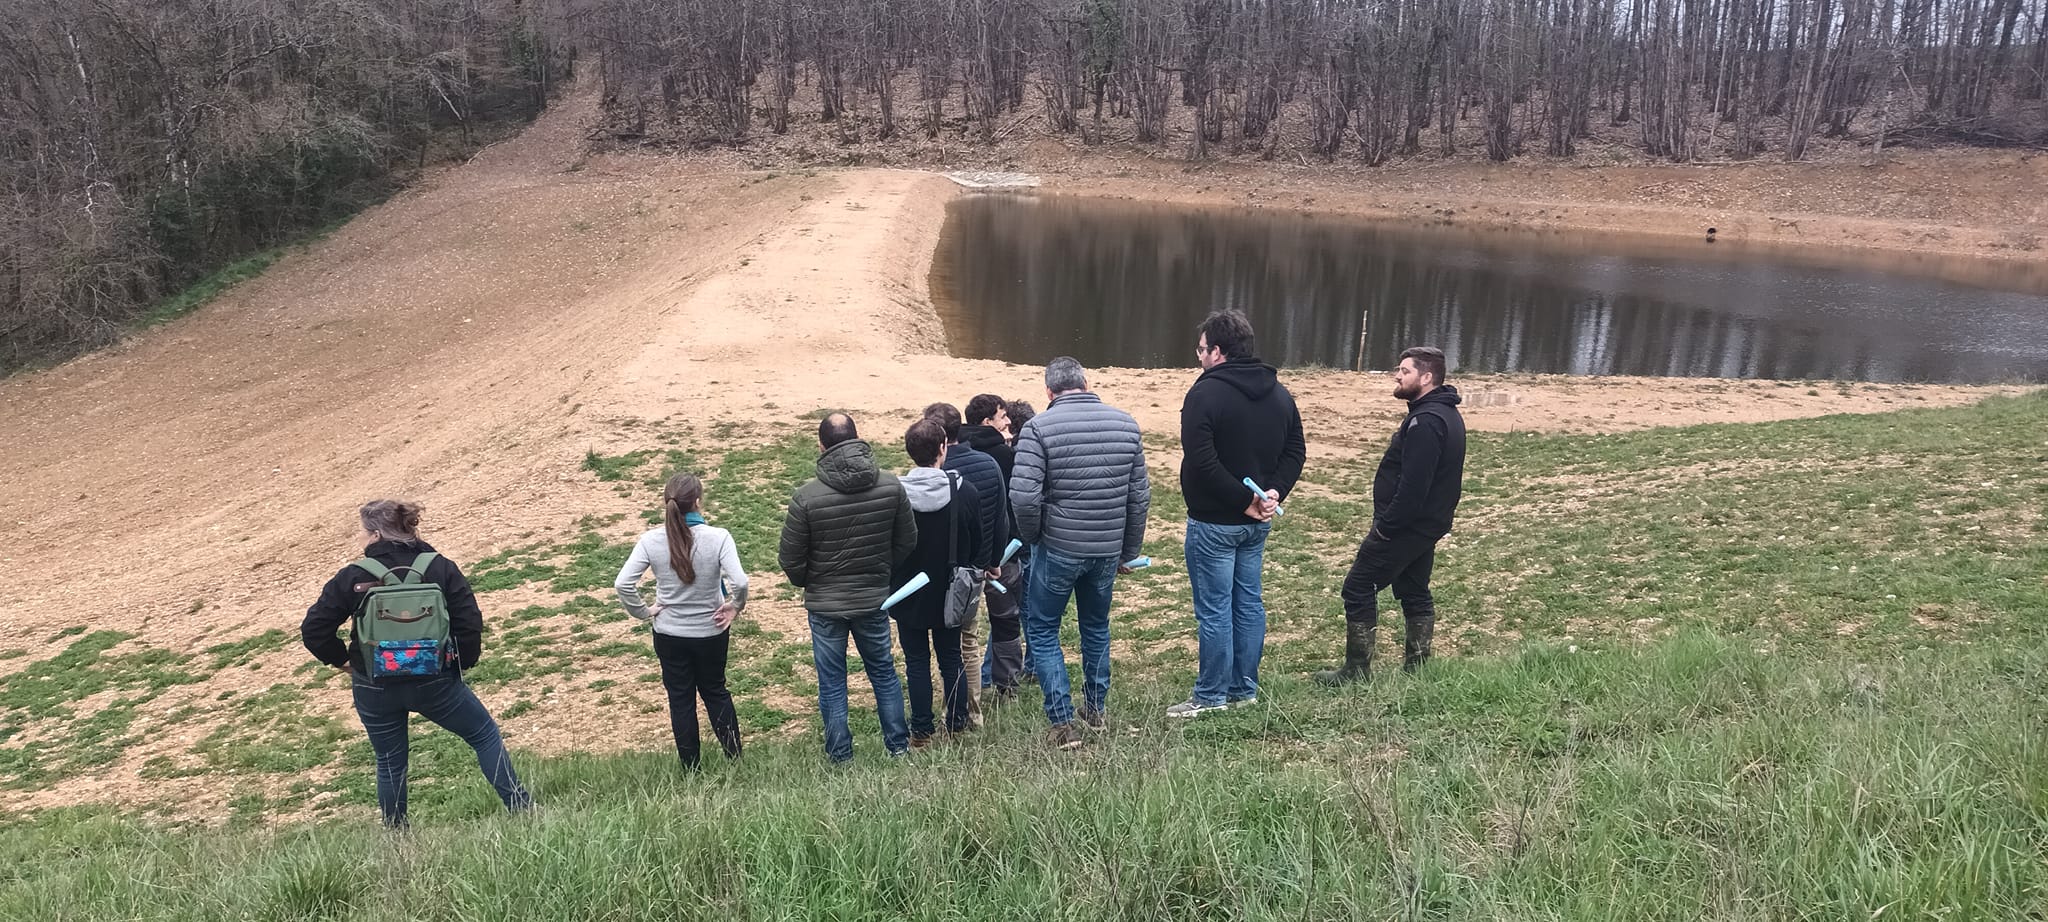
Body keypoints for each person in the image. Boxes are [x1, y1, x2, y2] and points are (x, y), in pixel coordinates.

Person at [301, 500, 530, 827]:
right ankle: (522, 809)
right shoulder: (441, 568)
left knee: (390, 761)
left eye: (364, 533)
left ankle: (397, 836)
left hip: (374, 684)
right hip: (435, 680)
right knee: (483, 735)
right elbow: (469, 623)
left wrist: (345, 663)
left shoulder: (354, 576)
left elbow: (313, 629)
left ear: (376, 534)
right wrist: (458, 666)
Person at [1170, 309, 1306, 718]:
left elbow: (1201, 459)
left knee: (1216, 609)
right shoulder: (1280, 393)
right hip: (1255, 521)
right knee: (1247, 603)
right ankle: (1243, 688)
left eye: (1201, 350)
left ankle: (1211, 695)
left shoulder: (1204, 394)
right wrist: (1270, 494)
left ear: (1218, 351)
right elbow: (1295, 451)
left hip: (1216, 521)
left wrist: (1254, 498)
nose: (1198, 358)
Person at [1011, 357, 1150, 749]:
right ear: (1087, 384)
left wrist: (1033, 536)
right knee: (1096, 626)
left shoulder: (1038, 428)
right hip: (1106, 548)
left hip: (1057, 547)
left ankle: (1062, 722)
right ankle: (1096, 710)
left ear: (1049, 392)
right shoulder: (1126, 424)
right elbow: (1139, 497)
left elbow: (1022, 497)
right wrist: (1129, 550)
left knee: (1041, 627)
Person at [1317, 346, 1466, 685]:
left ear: (1426, 377)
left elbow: (1414, 488)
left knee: (1357, 588)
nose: (1397, 376)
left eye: (1405, 371)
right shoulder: (1442, 414)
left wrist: (1386, 529)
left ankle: (1356, 671)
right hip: (1426, 526)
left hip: (1405, 527)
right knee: (1413, 589)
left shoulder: (1427, 421)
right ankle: (1418, 666)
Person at [779, 413, 918, 761]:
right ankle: (898, 746)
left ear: (821, 445)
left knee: (832, 681)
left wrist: (809, 582)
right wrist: (882, 571)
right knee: (884, 673)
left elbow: (790, 558)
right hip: (873, 597)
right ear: (857, 439)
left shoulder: (806, 497)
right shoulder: (890, 485)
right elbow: (907, 541)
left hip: (826, 604)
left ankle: (840, 754)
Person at [614, 472, 748, 768]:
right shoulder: (719, 537)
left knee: (680, 699)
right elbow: (739, 579)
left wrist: (643, 611)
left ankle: (691, 767)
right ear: (698, 502)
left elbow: (623, 583)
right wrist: (734, 606)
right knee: (716, 692)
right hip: (711, 630)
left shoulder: (651, 540)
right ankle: (735, 759)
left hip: (669, 634)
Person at [891, 418, 988, 746]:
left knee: (916, 661)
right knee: (951, 657)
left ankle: (921, 731)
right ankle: (957, 724)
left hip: (907, 591)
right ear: (943, 448)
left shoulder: (895, 495)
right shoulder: (965, 492)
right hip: (951, 590)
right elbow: (978, 543)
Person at [925, 401, 1006, 727]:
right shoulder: (987, 464)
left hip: (936, 571)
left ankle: (951, 706)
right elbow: (1000, 519)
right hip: (975, 569)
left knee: (942, 644)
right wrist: (992, 561)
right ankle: (972, 711)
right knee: (968, 642)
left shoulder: (932, 472)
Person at [963, 395, 1026, 698]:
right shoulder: (1005, 456)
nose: (1008, 421)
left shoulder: (952, 452)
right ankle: (1007, 685)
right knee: (1006, 620)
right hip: (1004, 554)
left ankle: (965, 687)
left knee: (963, 627)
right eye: (1002, 417)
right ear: (987, 422)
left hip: (963, 558)